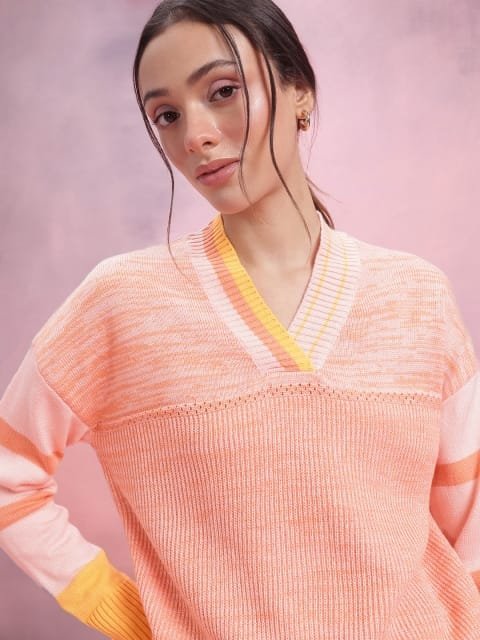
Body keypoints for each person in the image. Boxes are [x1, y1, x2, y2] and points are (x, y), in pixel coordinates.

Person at [1, 0, 479, 638]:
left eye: (223, 91)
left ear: (300, 91)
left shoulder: (417, 296)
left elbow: (469, 523)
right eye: (166, 115)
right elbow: (9, 477)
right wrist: (123, 609)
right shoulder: (121, 303)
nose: (194, 135)